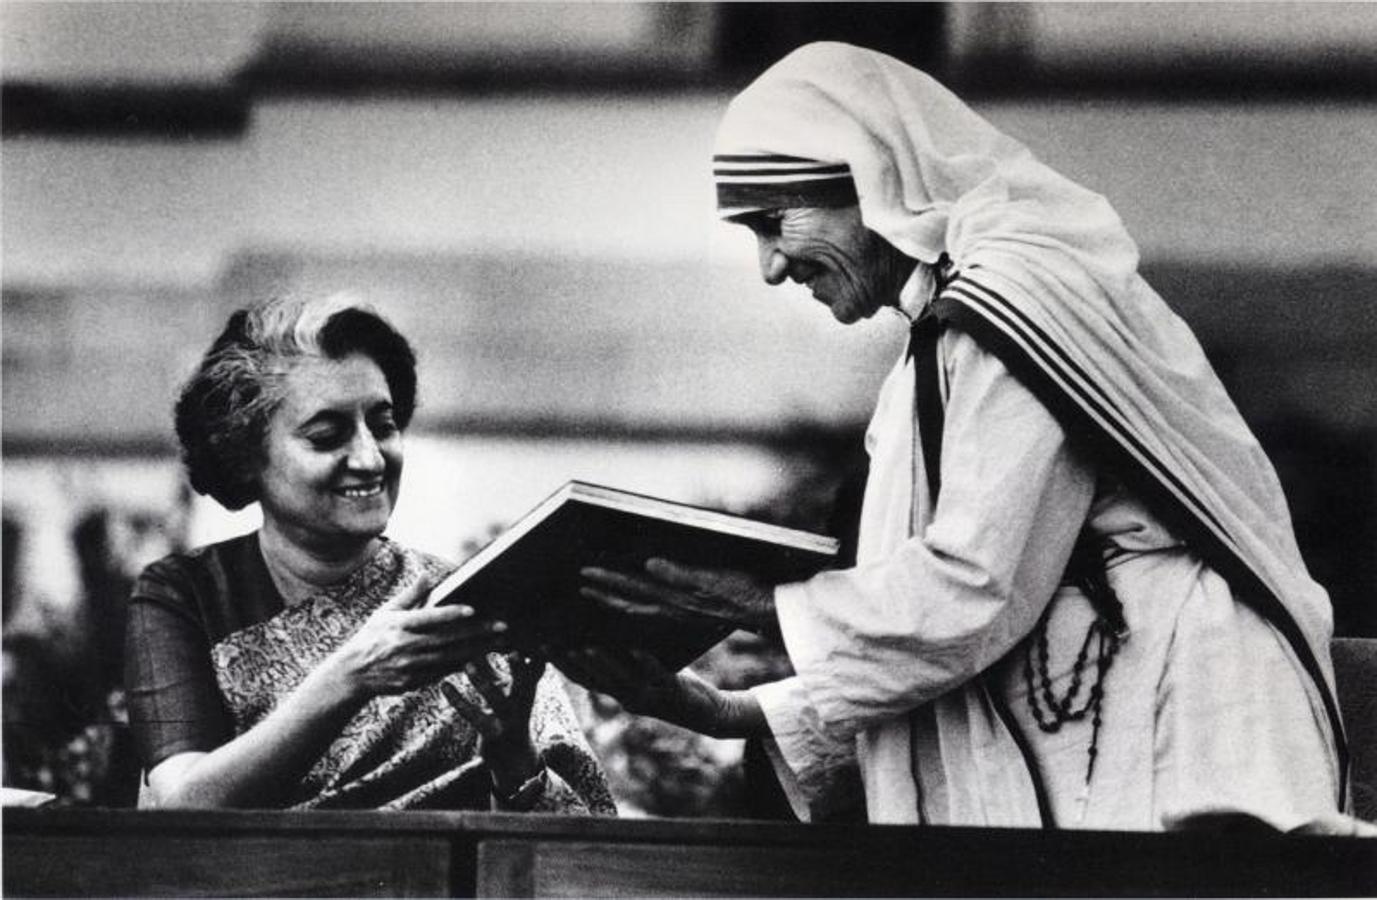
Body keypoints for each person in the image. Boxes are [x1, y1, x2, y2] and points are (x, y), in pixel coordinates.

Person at [559, 42, 1351, 832]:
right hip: (1112, 710)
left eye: (774, 222)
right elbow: (990, 607)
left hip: (1181, 726)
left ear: (875, 183)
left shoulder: (1010, 303)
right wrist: (728, 711)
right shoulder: (970, 307)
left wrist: (758, 602)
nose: (770, 265)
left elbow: (974, 589)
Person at [125, 294, 615, 813]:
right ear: (246, 456)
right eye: (327, 436)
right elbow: (185, 809)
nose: (369, 457)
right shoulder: (185, 595)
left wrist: (516, 766)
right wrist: (353, 676)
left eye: (383, 426)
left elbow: (579, 848)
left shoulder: (464, 600)